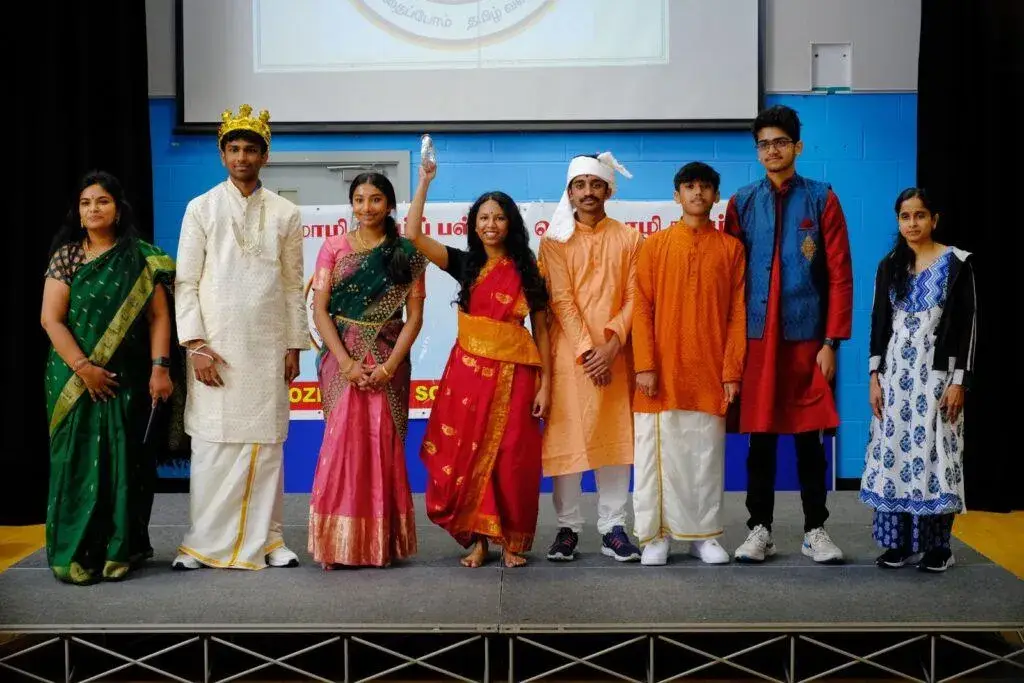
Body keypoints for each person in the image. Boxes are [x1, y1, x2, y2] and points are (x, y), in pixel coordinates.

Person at [172, 104, 307, 571]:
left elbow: (292, 285)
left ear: (265, 156)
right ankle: (201, 544)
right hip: (215, 348)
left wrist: (294, 345)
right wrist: (195, 345)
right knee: (212, 447)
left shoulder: (287, 214)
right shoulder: (201, 208)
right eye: (234, 149)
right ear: (222, 155)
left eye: (251, 149)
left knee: (266, 447)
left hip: (267, 347)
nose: (242, 157)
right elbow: (186, 282)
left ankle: (270, 540)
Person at [725, 104, 853, 564]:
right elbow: (730, 279)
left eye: (780, 142)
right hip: (757, 339)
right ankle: (759, 529)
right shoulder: (742, 203)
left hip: (807, 340)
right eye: (763, 144)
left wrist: (831, 342)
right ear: (757, 151)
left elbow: (840, 275)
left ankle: (816, 529)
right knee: (759, 438)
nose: (772, 151)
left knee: (808, 438)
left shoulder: (822, 199)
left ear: (797, 146)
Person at [408, 160, 551, 568]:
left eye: (499, 217)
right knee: (466, 456)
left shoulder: (528, 270)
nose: (491, 224)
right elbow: (413, 234)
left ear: (511, 224)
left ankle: (511, 542)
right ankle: (480, 542)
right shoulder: (465, 264)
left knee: (511, 457)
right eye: (484, 217)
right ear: (473, 224)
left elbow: (542, 332)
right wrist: (424, 182)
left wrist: (546, 385)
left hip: (516, 376)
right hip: (467, 377)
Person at [41, 170, 176, 584]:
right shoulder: (67, 257)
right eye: (86, 203)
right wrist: (85, 369)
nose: (93, 209)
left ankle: (121, 548)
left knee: (125, 460)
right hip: (72, 377)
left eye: (102, 201)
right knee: (77, 461)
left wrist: (160, 368)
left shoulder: (144, 258)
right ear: (78, 212)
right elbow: (51, 319)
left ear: (118, 209)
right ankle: (73, 552)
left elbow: (158, 318)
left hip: (127, 377)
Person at [307, 173, 428, 568]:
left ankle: (378, 544)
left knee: (382, 445)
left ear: (389, 205)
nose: (366, 207)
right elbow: (319, 311)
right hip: (342, 360)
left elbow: (414, 318)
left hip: (389, 360)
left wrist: (389, 366)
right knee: (342, 446)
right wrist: (346, 363)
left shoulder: (406, 253)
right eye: (359, 199)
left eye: (375, 199)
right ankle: (337, 546)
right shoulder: (333, 247)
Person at [632, 162, 746, 565]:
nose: (698, 193)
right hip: (660, 373)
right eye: (690, 186)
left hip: (709, 371)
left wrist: (731, 371)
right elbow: (641, 307)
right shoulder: (654, 245)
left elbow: (737, 313)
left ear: (716, 196)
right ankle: (656, 537)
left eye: (705, 187)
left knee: (704, 456)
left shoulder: (731, 249)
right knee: (656, 456)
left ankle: (704, 536)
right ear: (677, 195)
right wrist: (644, 365)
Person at [860, 188, 976, 573]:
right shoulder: (889, 265)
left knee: (936, 457)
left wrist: (959, 382)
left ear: (934, 220)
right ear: (898, 222)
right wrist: (874, 377)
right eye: (905, 216)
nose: (913, 223)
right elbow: (878, 323)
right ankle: (898, 545)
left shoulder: (957, 263)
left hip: (937, 378)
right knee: (894, 456)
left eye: (920, 215)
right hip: (896, 378)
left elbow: (968, 327)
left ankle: (938, 547)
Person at [540, 152, 643, 563]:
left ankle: (613, 528)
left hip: (616, 354)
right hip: (569, 356)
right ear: (569, 192)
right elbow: (561, 300)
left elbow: (636, 296)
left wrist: (612, 345)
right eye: (580, 185)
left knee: (614, 438)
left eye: (595, 185)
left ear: (608, 190)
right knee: (568, 439)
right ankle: (567, 528)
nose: (588, 192)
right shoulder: (554, 241)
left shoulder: (630, 238)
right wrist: (587, 351)